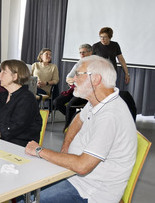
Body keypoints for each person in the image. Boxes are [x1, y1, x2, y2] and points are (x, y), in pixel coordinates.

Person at [22, 55, 137, 203]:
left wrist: (39, 151)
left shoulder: (111, 115)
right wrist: (65, 147)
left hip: (89, 191)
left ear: (95, 79)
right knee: (19, 187)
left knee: (25, 198)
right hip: (72, 175)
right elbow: (78, 119)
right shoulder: (97, 100)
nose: (73, 79)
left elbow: (83, 166)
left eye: (78, 75)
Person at [53, 44, 91, 130]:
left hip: (86, 93)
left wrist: (76, 81)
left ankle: (68, 127)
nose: (82, 55)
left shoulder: (94, 65)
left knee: (70, 106)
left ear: (90, 53)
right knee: (56, 102)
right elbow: (68, 77)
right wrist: (74, 81)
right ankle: (74, 120)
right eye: (80, 53)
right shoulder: (78, 64)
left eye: (84, 52)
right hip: (75, 89)